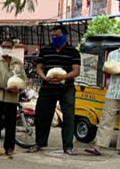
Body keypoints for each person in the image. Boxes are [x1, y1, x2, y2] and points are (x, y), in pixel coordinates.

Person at [28, 25, 81, 154]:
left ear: (65, 36)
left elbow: (76, 71)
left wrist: (64, 77)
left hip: (66, 87)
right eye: (53, 36)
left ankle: (67, 146)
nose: (55, 38)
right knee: (42, 115)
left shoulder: (73, 51)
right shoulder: (46, 50)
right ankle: (39, 143)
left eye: (57, 35)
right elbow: (39, 67)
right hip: (47, 87)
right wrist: (45, 77)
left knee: (68, 116)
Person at [0, 39, 27, 156]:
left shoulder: (17, 62)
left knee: (11, 124)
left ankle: (9, 148)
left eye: (9, 47)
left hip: (12, 98)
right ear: (0, 47)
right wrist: (4, 88)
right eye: (4, 46)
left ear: (12, 48)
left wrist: (19, 89)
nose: (6, 48)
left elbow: (23, 78)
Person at [85, 45, 120, 156]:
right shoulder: (113, 54)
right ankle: (98, 147)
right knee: (106, 120)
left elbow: (113, 69)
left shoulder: (113, 55)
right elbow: (107, 69)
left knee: (107, 120)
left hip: (113, 91)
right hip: (113, 92)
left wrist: (117, 69)